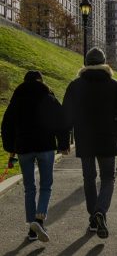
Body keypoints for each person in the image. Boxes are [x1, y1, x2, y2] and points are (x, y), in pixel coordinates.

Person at [63, 47, 117, 239]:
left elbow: (66, 113)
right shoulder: (114, 85)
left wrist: (65, 139)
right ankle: (101, 210)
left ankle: (93, 216)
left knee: (89, 178)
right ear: (104, 63)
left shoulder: (75, 85)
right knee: (108, 177)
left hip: (85, 139)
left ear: (86, 64)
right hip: (108, 138)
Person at [1, 70, 70, 242]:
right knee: (46, 185)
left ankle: (32, 229)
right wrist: (63, 144)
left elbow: (7, 125)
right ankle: (39, 220)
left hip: (24, 148)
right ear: (41, 80)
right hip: (45, 146)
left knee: (29, 187)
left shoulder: (16, 99)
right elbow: (61, 121)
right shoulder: (48, 97)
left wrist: (11, 147)